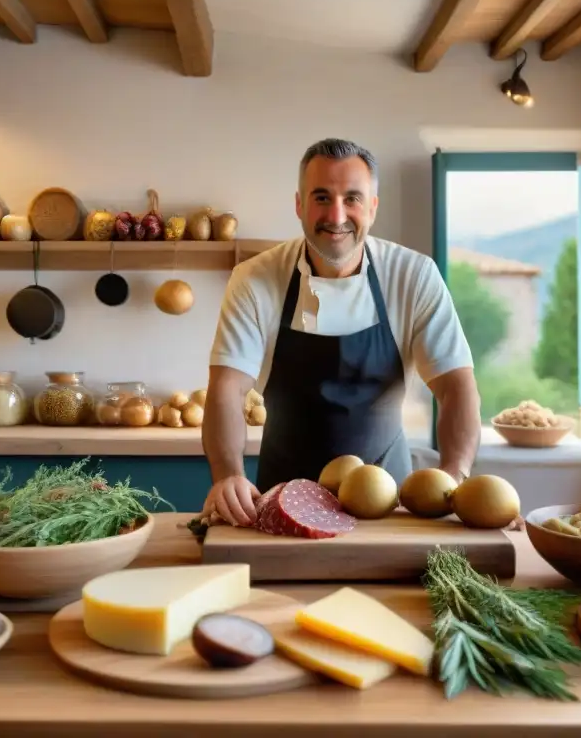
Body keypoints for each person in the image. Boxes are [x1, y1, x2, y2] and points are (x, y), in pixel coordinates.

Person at [200, 138, 481, 526]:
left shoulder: (414, 275)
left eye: (352, 198)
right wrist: (228, 474)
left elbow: (457, 387)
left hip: (391, 500)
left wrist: (454, 478)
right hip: (281, 498)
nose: (336, 215)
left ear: (373, 207)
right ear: (299, 204)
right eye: (321, 197)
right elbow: (226, 389)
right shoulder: (254, 280)